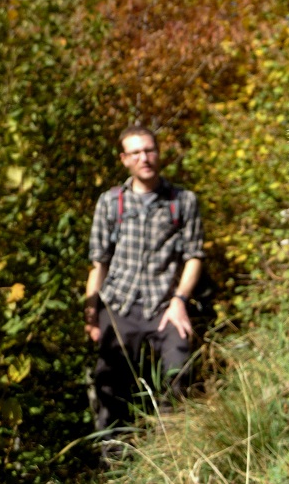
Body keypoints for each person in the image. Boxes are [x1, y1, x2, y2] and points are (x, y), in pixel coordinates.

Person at [84, 125, 205, 440]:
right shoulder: (111, 202)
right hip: (119, 305)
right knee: (108, 383)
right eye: (135, 152)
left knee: (179, 369)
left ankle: (171, 445)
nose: (144, 158)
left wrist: (179, 301)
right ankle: (113, 457)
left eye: (149, 150)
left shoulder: (183, 201)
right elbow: (99, 263)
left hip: (164, 306)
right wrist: (92, 313)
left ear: (158, 153)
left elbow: (194, 256)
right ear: (125, 159)